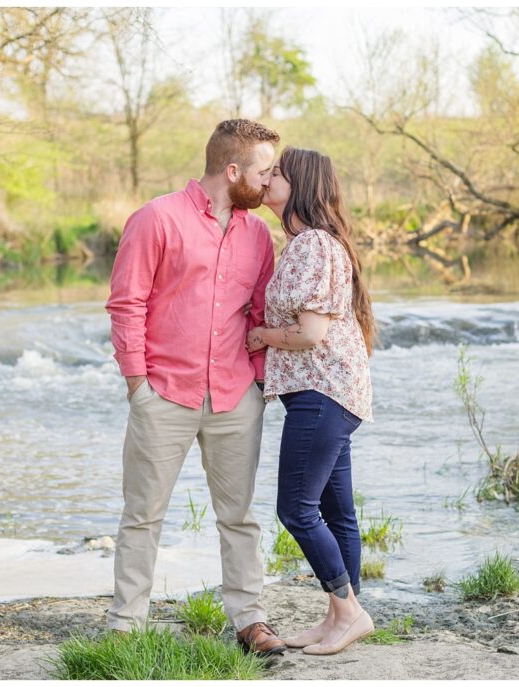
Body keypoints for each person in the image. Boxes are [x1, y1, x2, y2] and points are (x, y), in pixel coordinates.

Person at [104, 119, 287, 656]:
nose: (269, 181)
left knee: (240, 517)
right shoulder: (156, 219)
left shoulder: (257, 234)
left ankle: (251, 621)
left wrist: (257, 382)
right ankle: (125, 624)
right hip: (163, 393)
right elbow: (126, 303)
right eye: (263, 171)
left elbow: (258, 311)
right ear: (232, 172)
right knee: (143, 515)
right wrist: (138, 384)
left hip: (236, 398)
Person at [247, 147, 377, 655]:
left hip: (322, 393)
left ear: (298, 184)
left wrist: (261, 335)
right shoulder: (308, 243)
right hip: (332, 393)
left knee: (297, 509)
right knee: (337, 511)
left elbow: (310, 333)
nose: (267, 179)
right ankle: (342, 617)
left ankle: (347, 612)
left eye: (275, 173)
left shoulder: (314, 244)